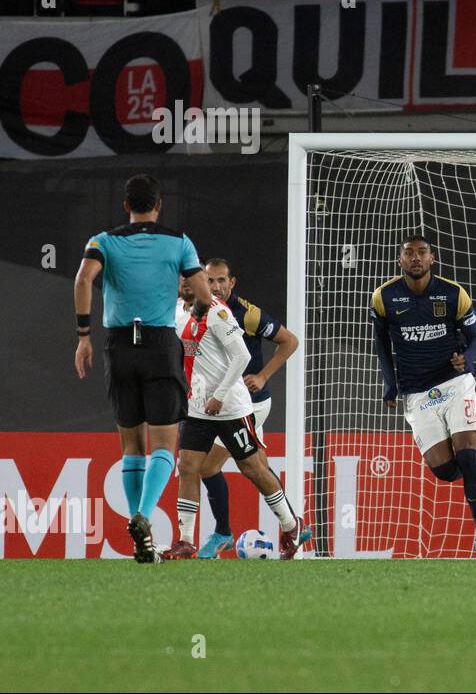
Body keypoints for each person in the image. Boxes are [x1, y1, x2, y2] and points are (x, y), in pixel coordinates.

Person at [74, 174, 213, 565]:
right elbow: (204, 294)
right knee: (165, 445)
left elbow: (84, 278)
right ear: (159, 204)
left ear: (125, 206)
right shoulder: (179, 241)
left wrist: (83, 334)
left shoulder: (103, 240)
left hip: (118, 345)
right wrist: (198, 310)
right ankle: (144, 516)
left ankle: (144, 540)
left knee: (131, 444)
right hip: (158, 344)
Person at [164, 278, 309, 560]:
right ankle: (185, 541)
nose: (184, 286)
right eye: (180, 281)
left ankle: (291, 525)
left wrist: (219, 395)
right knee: (188, 466)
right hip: (198, 408)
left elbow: (241, 356)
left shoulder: (218, 313)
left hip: (230, 407)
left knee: (253, 468)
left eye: (189, 281)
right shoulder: (178, 309)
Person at [372, 235, 476, 560]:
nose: (415, 258)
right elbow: (382, 345)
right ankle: (475, 476)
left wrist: (466, 359)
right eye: (409, 253)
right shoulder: (384, 297)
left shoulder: (453, 294)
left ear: (432, 258)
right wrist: (389, 383)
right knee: (444, 471)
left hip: (455, 384)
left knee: (467, 454)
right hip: (416, 393)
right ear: (400, 260)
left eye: (421, 253)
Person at [191, 257, 299, 558]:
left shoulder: (247, 314)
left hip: (246, 404)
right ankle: (293, 525)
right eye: (210, 281)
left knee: (207, 466)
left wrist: (263, 375)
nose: (216, 287)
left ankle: (223, 531)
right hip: (223, 403)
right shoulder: (200, 310)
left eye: (221, 280)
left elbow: (289, 341)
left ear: (232, 282)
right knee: (256, 467)